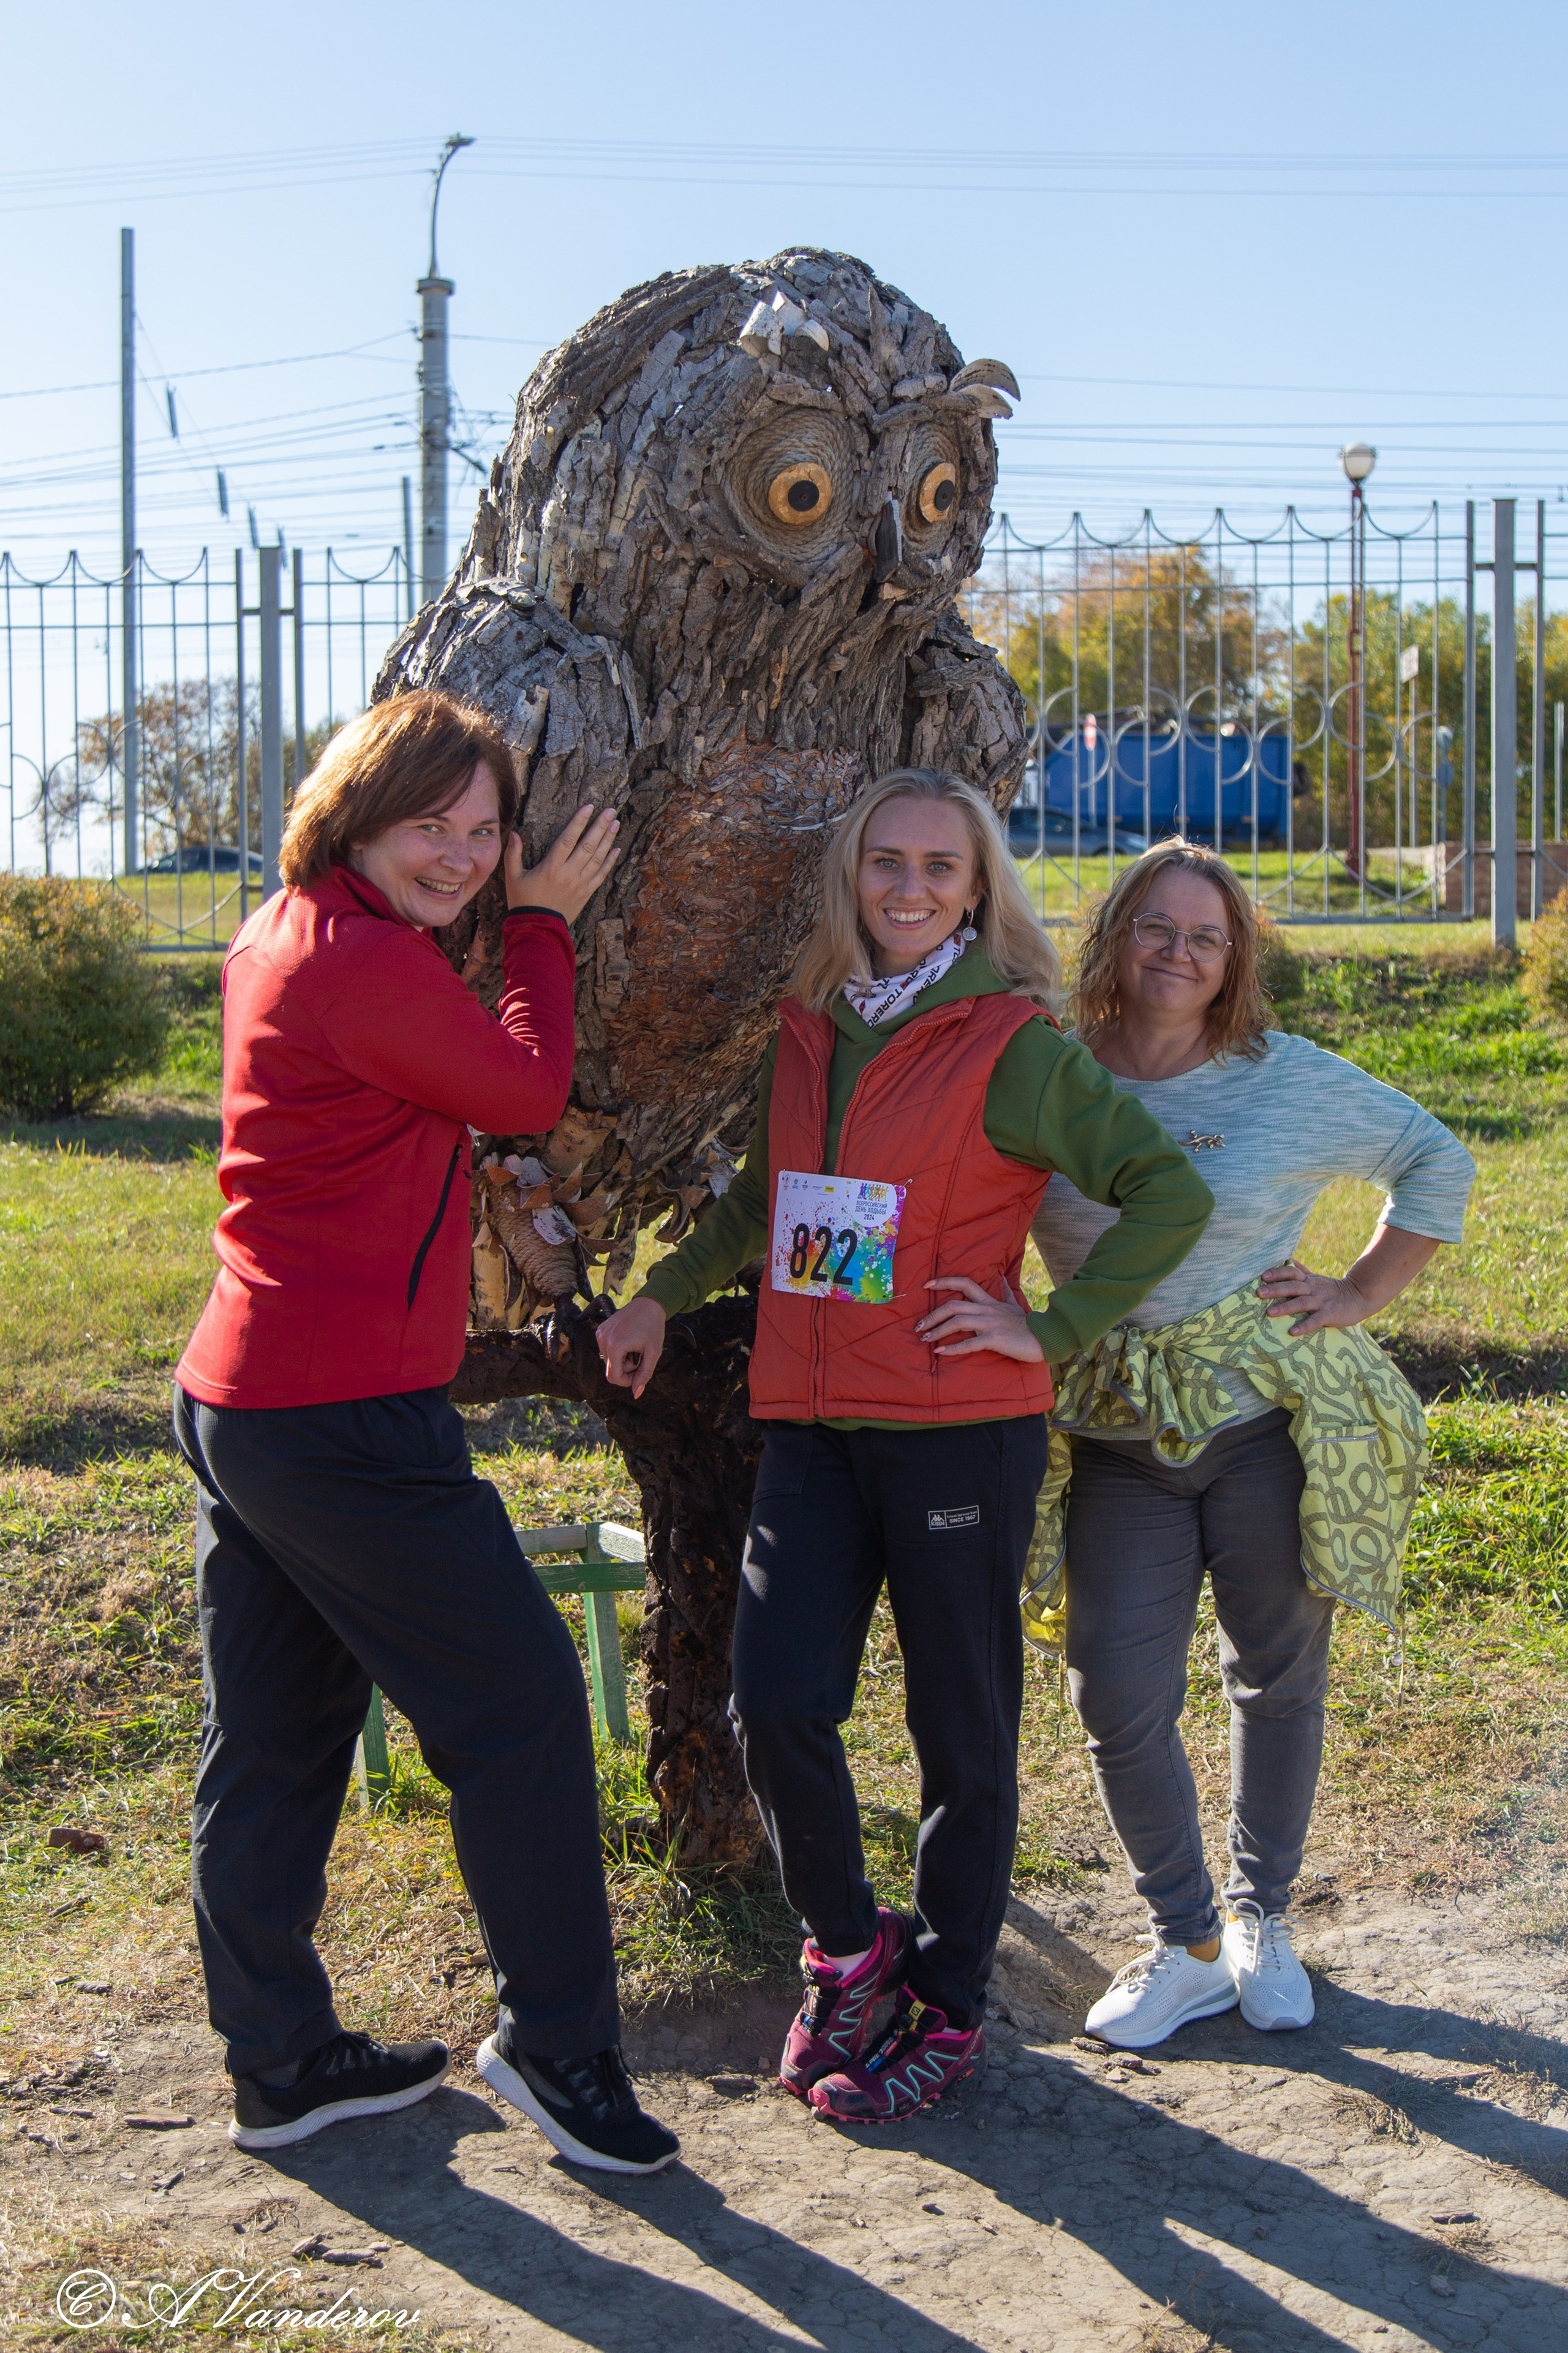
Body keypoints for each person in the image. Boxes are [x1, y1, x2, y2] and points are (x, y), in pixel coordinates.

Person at [595, 768, 1215, 2123]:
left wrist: (1049, 1329)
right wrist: (654, 1294)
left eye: (940, 867)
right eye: (886, 862)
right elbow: (768, 1207)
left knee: (960, 1732)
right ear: (850, 877)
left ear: (976, 888)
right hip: (811, 1431)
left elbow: (1166, 1190)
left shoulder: (1010, 1043)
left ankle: (947, 2004)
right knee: (773, 1707)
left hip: (954, 1438)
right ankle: (852, 1956)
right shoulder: (810, 1027)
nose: (909, 887)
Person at [173, 690, 679, 2173]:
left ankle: (281, 2063)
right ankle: (555, 2046)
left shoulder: (288, 926)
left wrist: (483, 907)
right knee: (519, 1707)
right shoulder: (361, 963)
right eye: (429, 827)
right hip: (336, 1418)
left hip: (249, 1395)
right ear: (354, 814)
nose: (461, 855)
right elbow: (524, 1086)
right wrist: (538, 922)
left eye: (483, 830)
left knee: (272, 1740)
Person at [1027, 839, 1475, 2051]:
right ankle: (1182, 1943)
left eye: (1206, 937)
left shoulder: (1282, 1077)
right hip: (1114, 1427)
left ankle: (1258, 1915)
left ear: (1232, 962)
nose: (1178, 953)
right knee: (1114, 1691)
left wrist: (1358, 1291)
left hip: (1261, 1424)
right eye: (1156, 928)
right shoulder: (1050, 1073)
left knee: (1272, 1675)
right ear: (1115, 934)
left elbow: (1436, 1158)